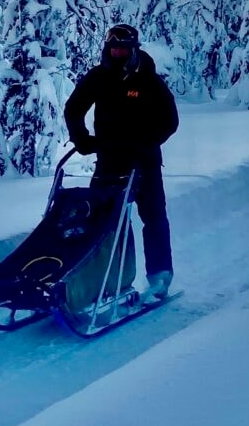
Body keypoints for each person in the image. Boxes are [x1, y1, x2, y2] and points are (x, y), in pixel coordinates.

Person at [63, 23, 179, 303]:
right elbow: (73, 109)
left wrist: (146, 142)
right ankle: (105, 281)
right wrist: (82, 140)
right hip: (109, 162)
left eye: (123, 49)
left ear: (133, 50)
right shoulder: (99, 76)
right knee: (101, 223)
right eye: (113, 48)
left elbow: (170, 120)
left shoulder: (148, 79)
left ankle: (160, 276)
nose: (117, 53)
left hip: (144, 163)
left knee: (153, 218)